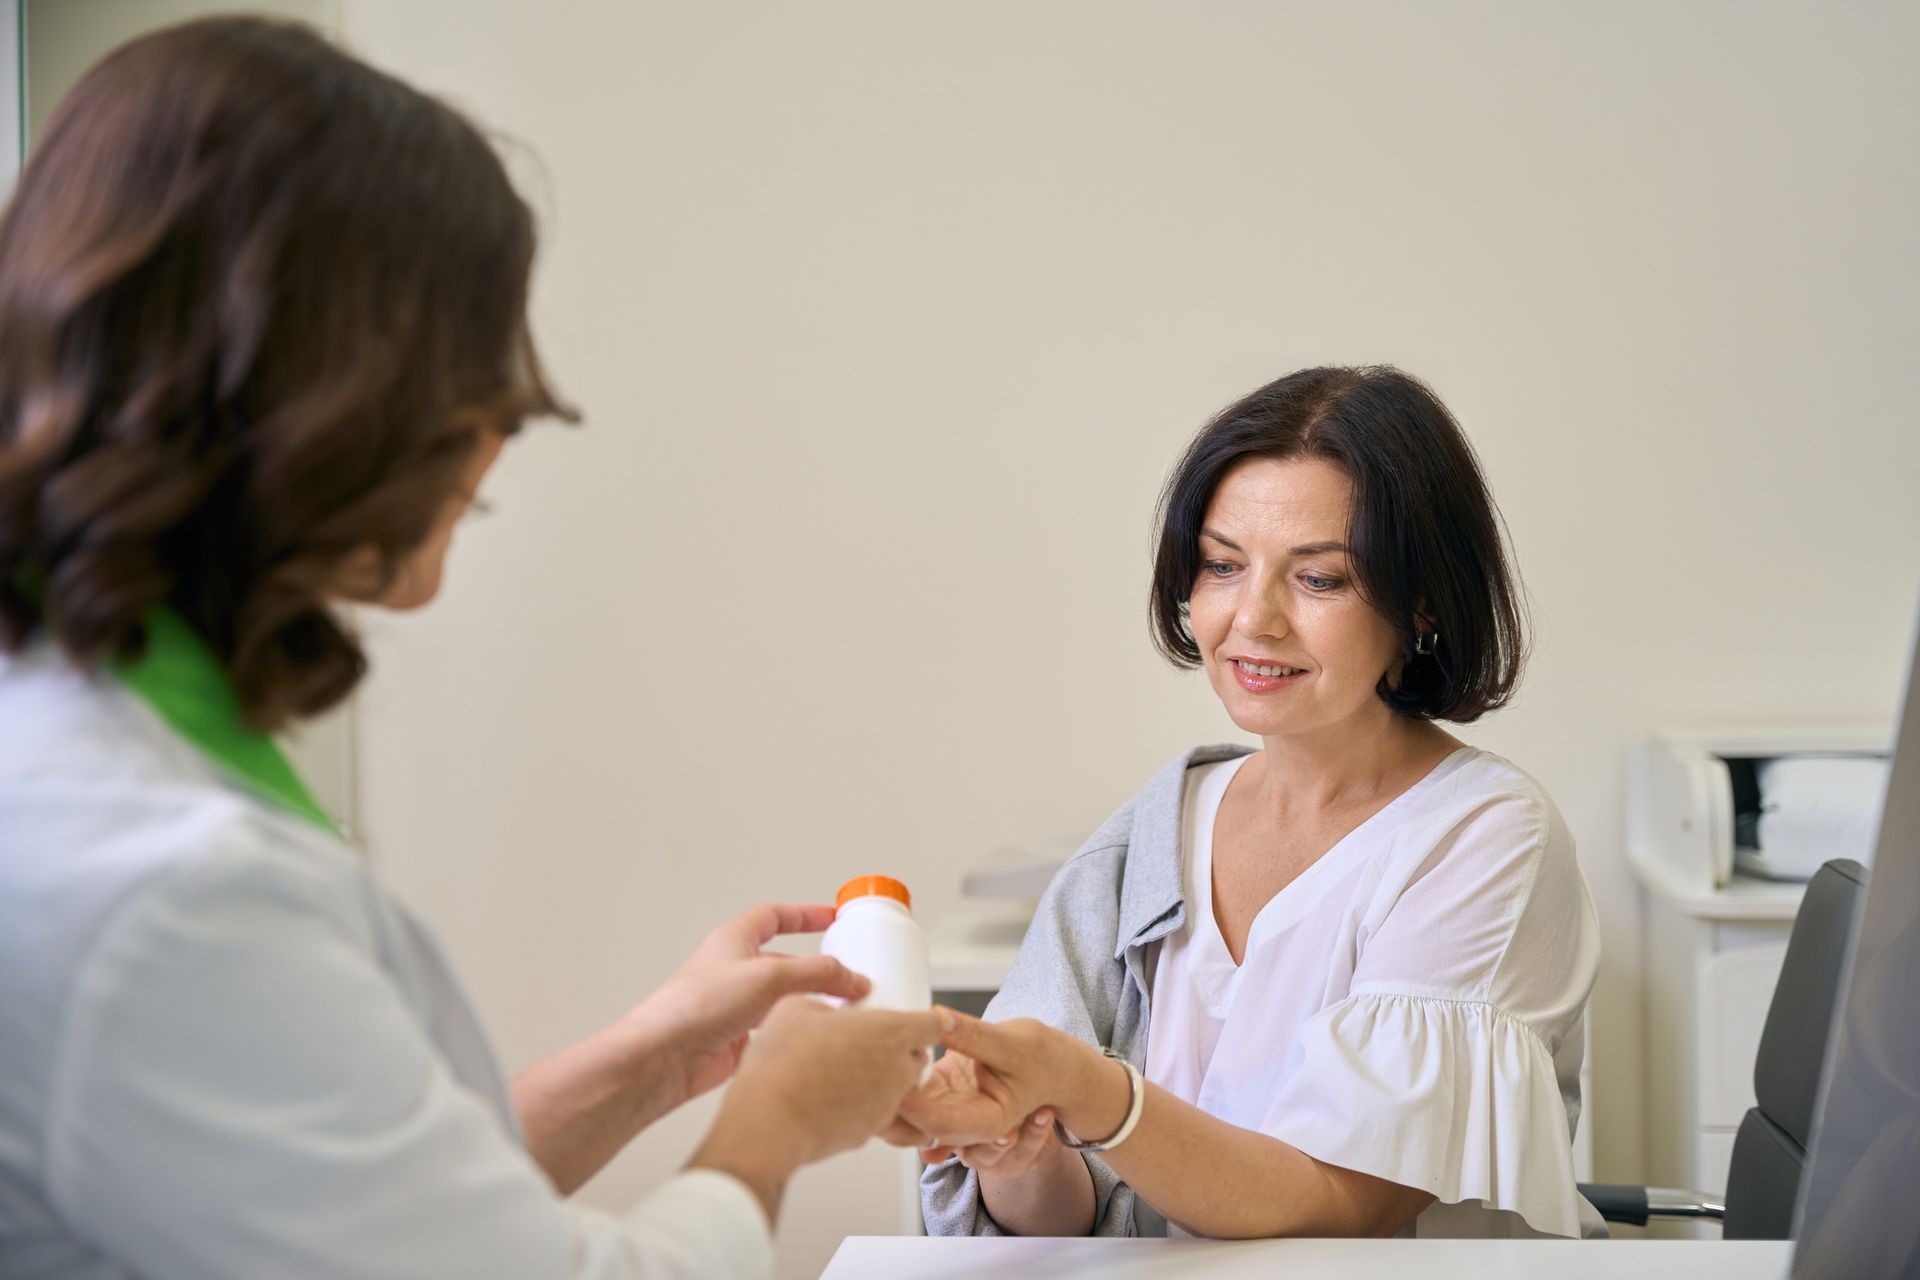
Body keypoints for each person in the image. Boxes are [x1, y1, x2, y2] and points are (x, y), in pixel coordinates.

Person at [0, 19, 940, 1279]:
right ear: (331, 387)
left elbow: (364, 1210)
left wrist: (657, 1055)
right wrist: (775, 1122)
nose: (505, 419)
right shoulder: (160, 889)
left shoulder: (96, 747)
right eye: (471, 363)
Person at [908, 366, 1603, 1240]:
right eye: (1222, 565)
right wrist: (1020, 1153)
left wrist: (1093, 1094)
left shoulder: (1485, 837)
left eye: (1320, 580)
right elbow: (1063, 1221)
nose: (1254, 619)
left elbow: (1338, 1211)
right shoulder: (1157, 829)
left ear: (1421, 600)